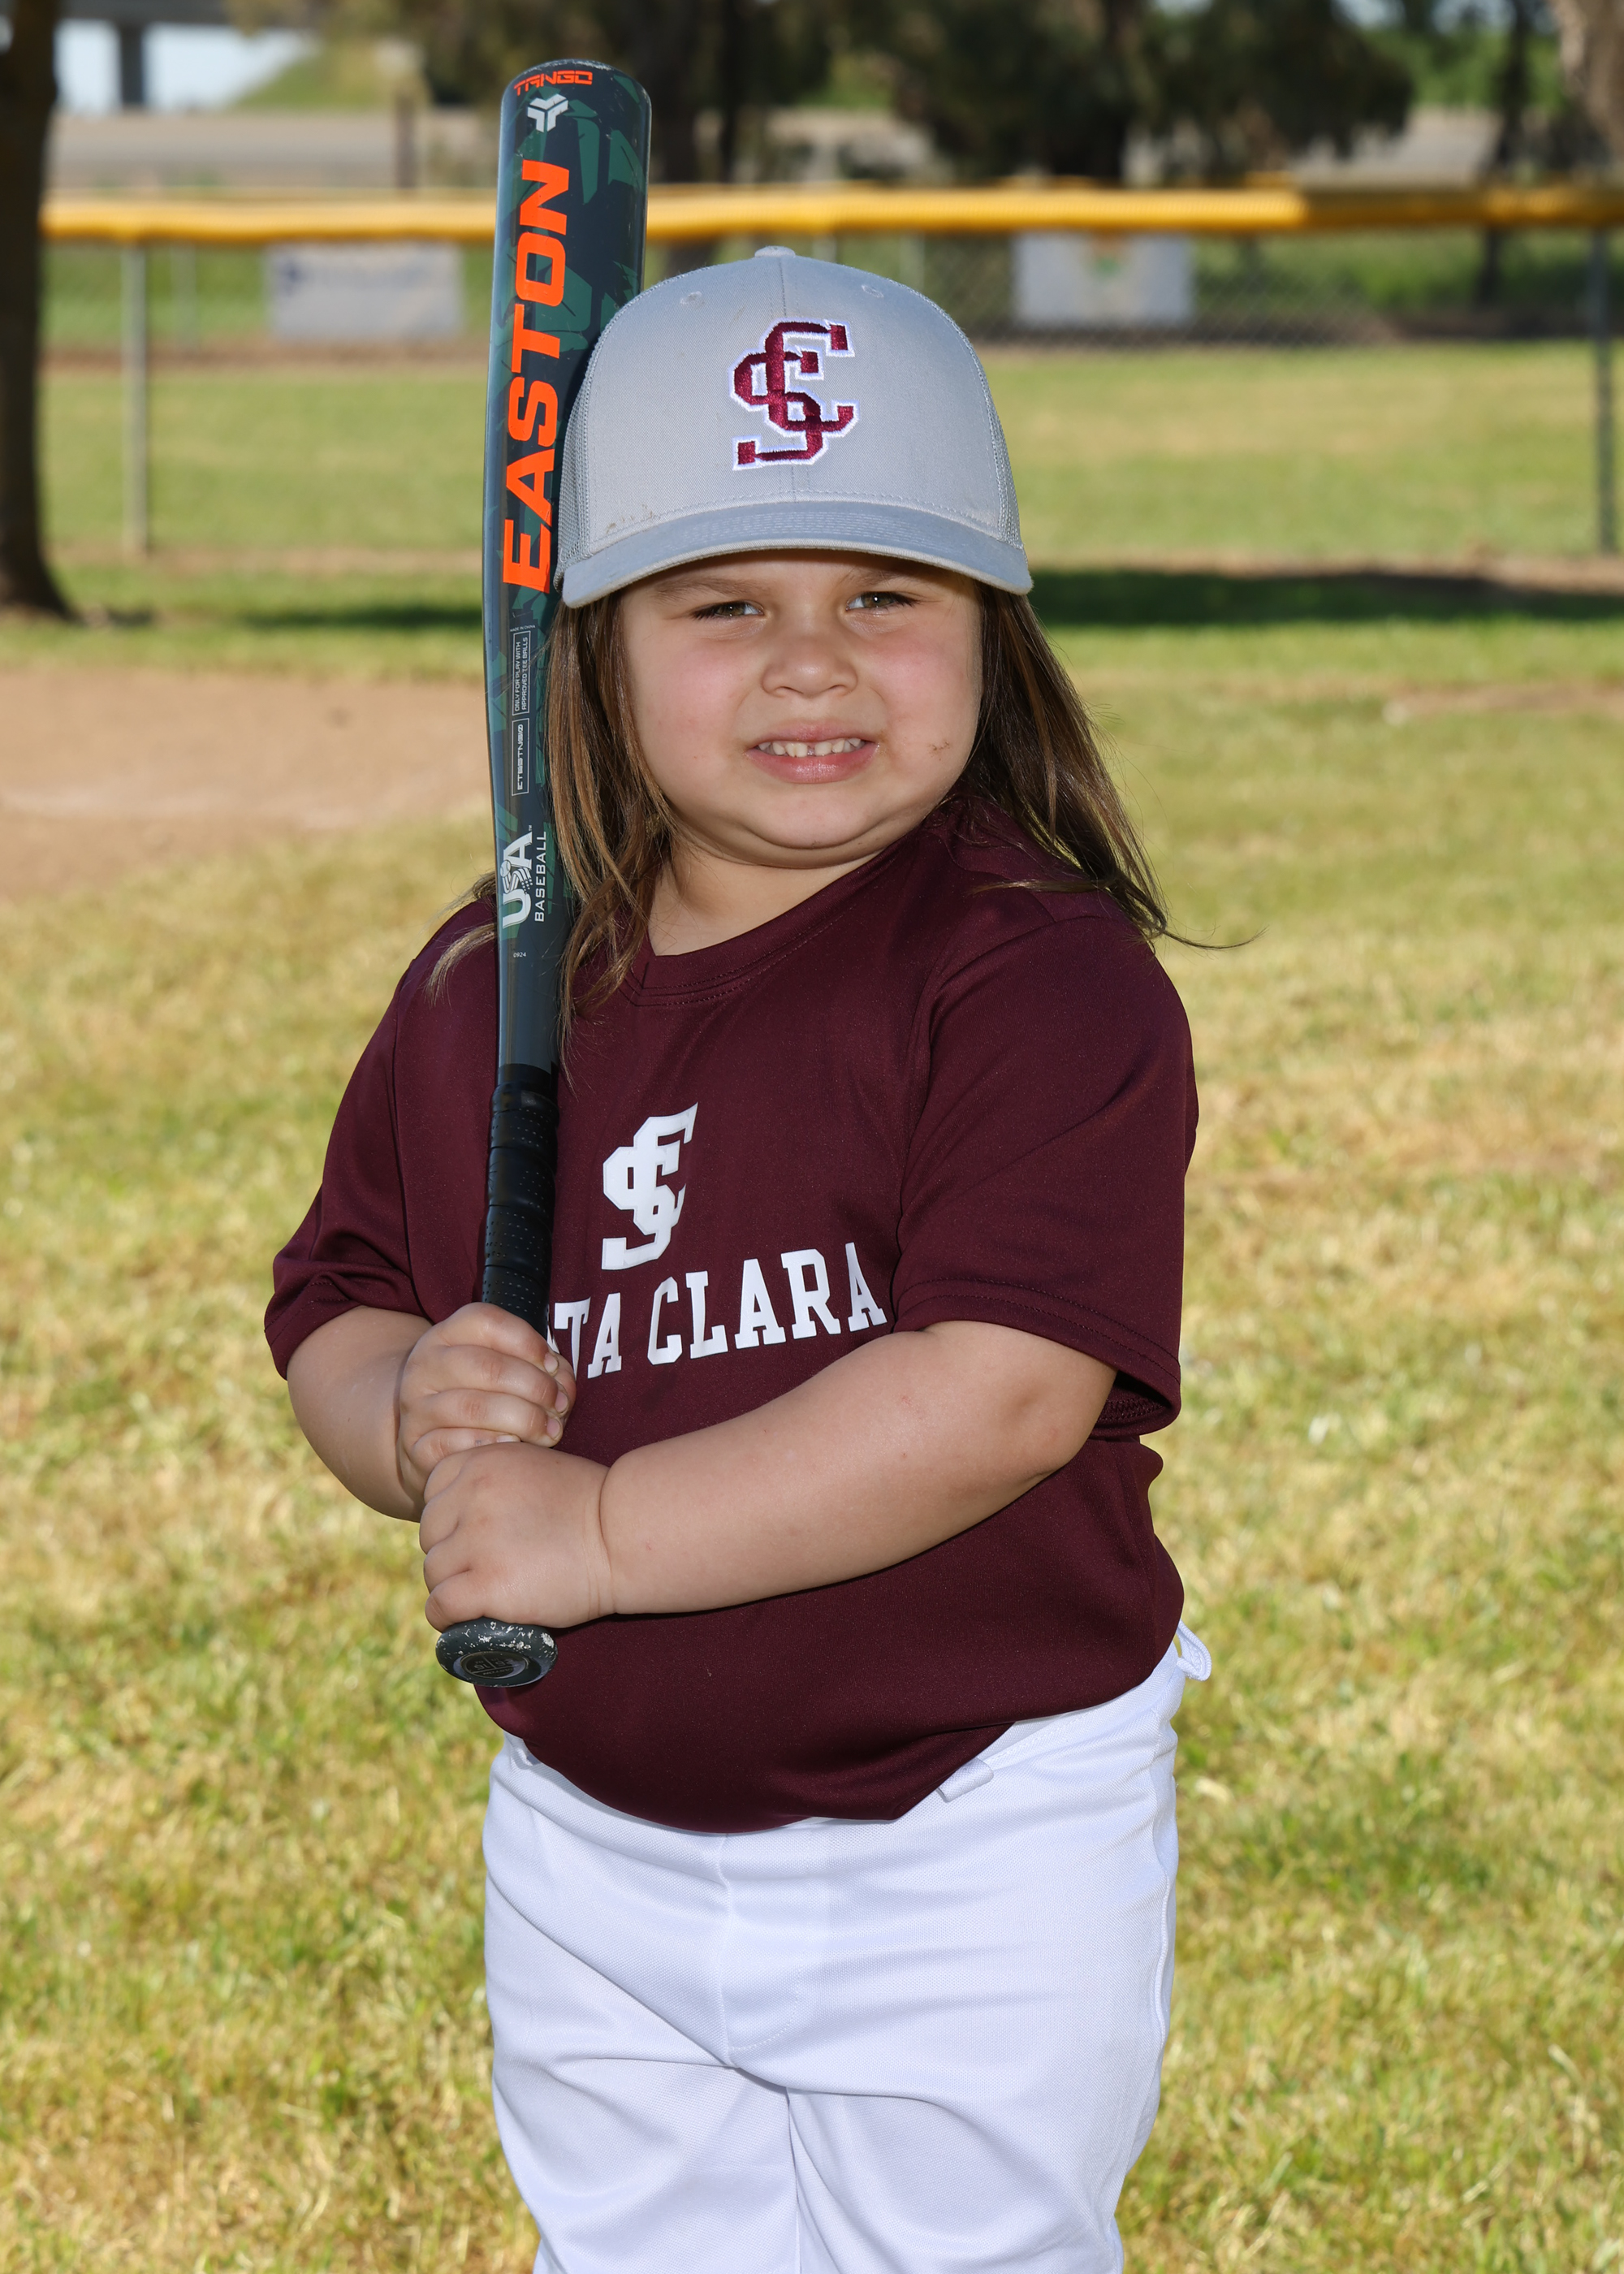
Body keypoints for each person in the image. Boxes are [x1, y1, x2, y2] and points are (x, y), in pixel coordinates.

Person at [266, 249, 1210, 2274]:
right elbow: (337, 1298)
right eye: (724, 604)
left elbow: (1000, 1389)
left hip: (971, 1819)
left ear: (995, 630)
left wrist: (603, 1528)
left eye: (886, 594)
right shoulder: (488, 986)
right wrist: (403, 1408)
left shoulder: (1036, 979)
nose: (812, 663)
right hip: (594, 1824)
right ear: (593, 649)